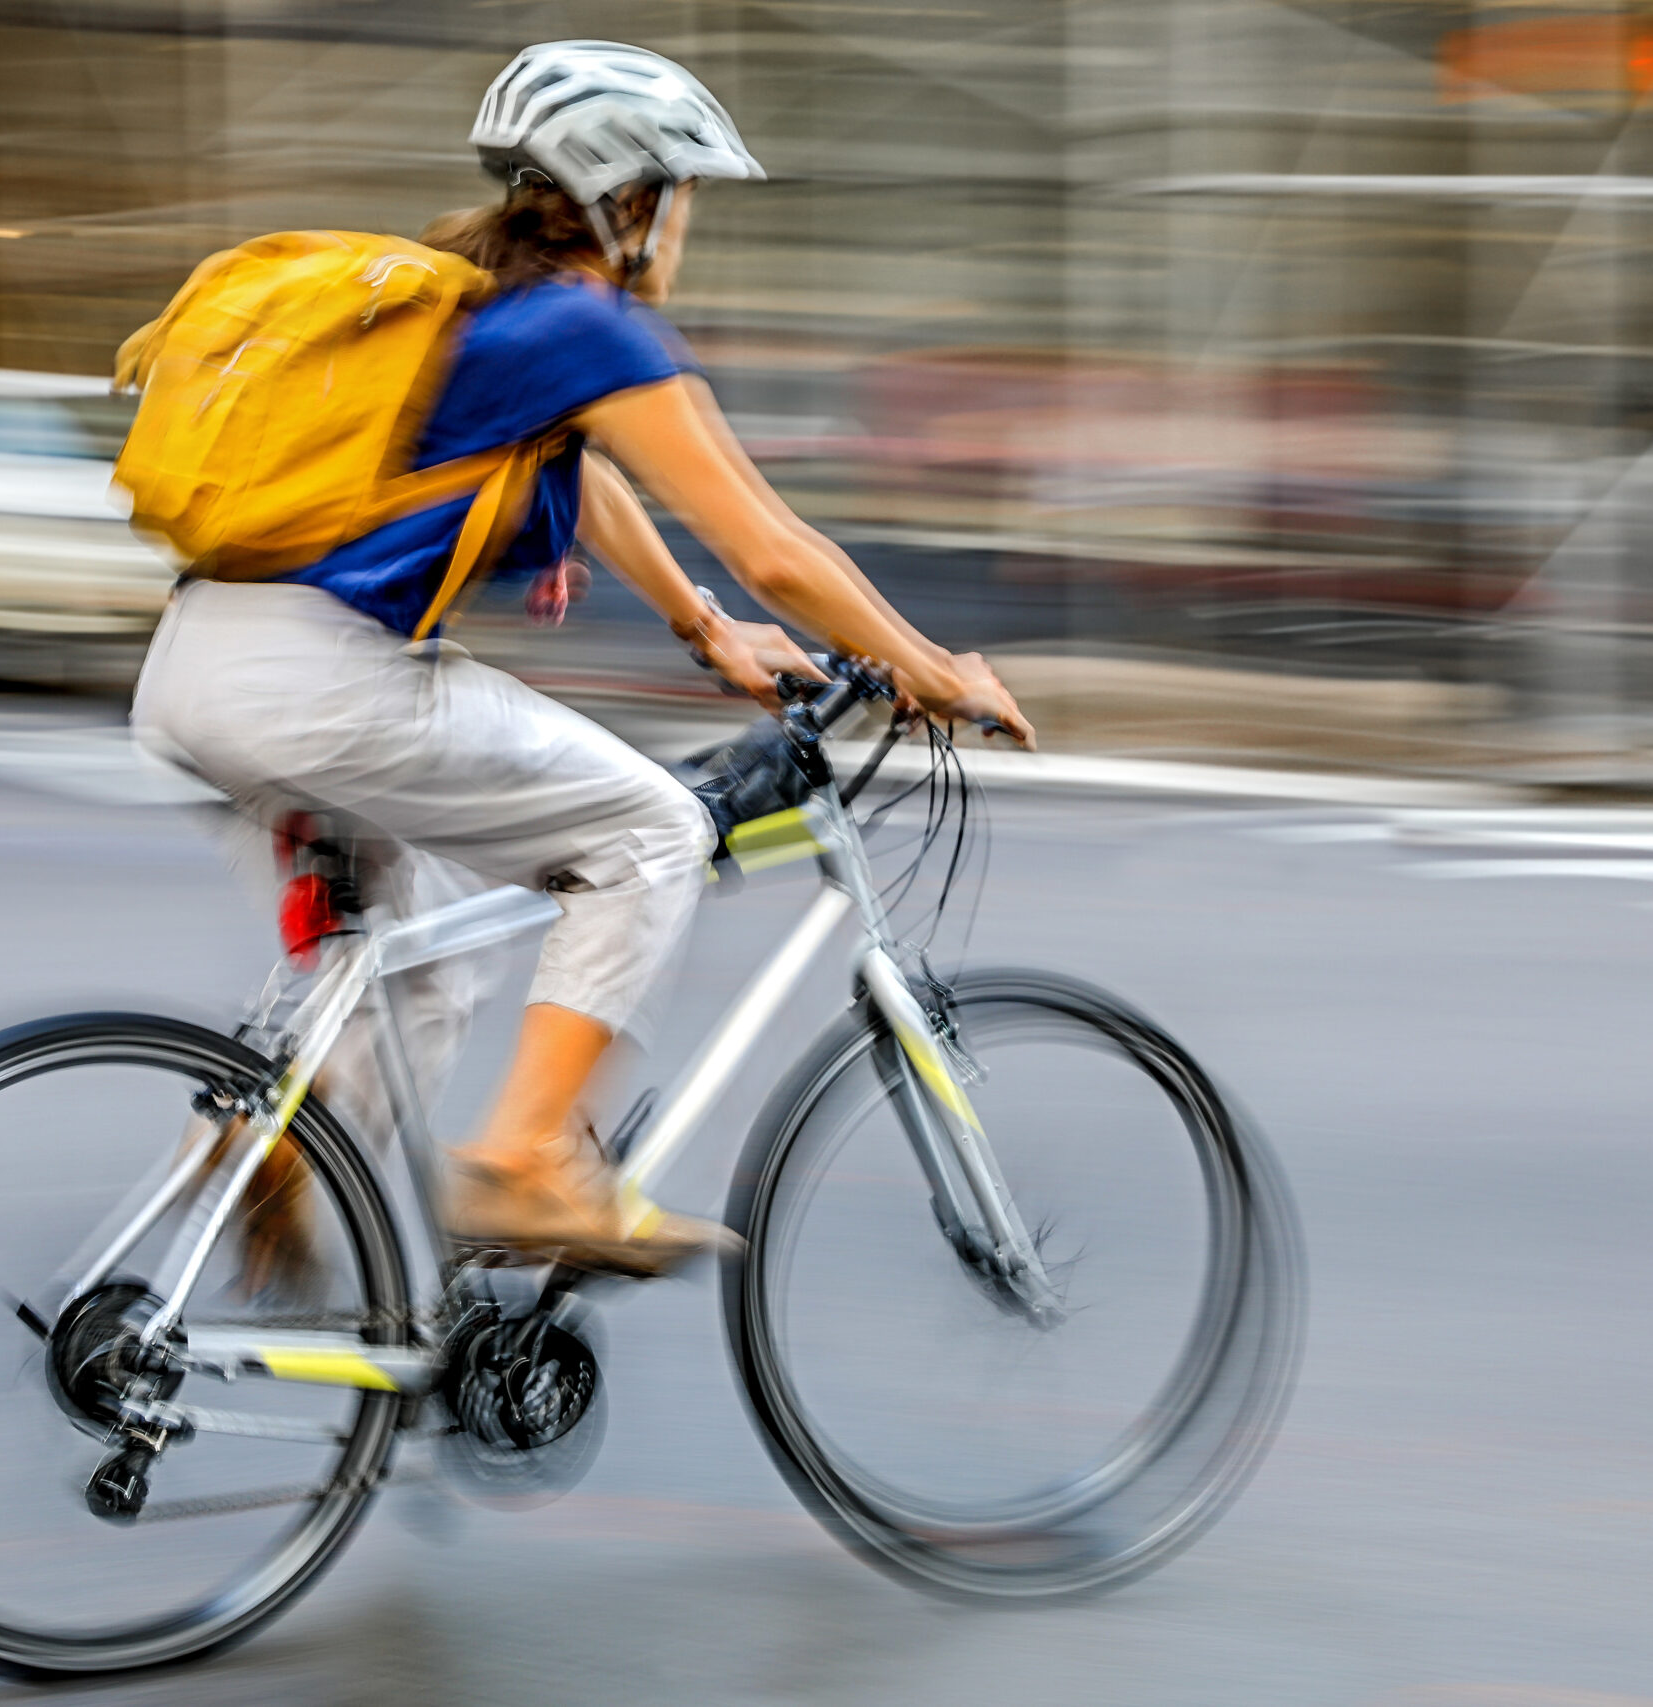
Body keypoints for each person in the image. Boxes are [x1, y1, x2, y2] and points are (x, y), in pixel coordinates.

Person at [132, 39, 1032, 1280]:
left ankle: (261, 1161)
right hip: (320, 685)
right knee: (651, 835)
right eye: (686, 196)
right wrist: (934, 669)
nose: (686, 227)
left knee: (429, 967)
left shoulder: (480, 300)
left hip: (201, 667)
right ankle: (528, 1157)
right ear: (632, 198)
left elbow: (587, 475)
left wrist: (700, 625)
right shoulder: (587, 326)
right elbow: (775, 544)